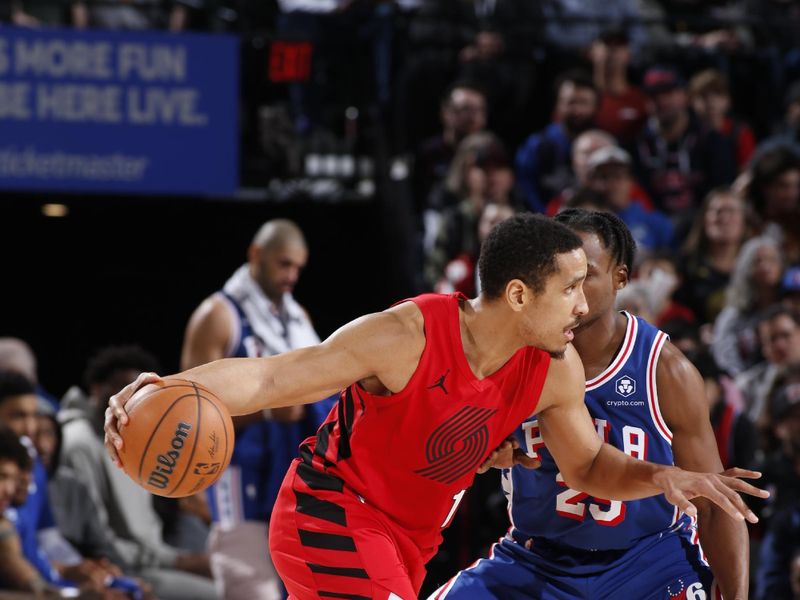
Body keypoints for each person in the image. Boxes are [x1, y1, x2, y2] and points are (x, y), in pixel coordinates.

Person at [105, 214, 767, 600]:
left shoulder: (550, 369)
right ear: (517, 296)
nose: (581, 305)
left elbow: (590, 465)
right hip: (331, 513)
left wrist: (663, 477)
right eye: (567, 289)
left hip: (407, 541)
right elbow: (272, 379)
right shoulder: (407, 336)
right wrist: (163, 387)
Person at [431, 209, 751, 599]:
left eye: (585, 276)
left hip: (648, 564)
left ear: (620, 277)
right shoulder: (514, 352)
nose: (571, 289)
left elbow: (715, 504)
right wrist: (482, 450)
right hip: (537, 558)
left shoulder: (664, 369)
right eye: (560, 276)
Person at [181, 218, 335, 600]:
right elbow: (187, 410)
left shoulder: (299, 318)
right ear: (256, 255)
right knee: (253, 592)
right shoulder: (217, 316)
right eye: (284, 264)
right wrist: (267, 411)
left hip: (294, 472)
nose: (291, 275)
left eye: (298, 267)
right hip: (238, 473)